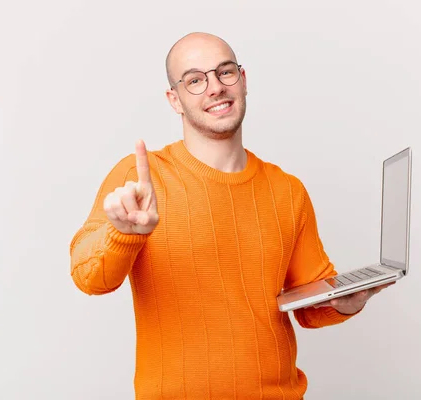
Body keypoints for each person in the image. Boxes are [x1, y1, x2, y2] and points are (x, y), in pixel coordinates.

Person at [69, 32, 393, 400]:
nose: (215, 88)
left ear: (243, 80)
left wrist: (345, 303)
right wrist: (124, 234)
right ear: (174, 100)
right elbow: (89, 277)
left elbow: (310, 308)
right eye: (195, 80)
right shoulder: (141, 178)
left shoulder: (288, 190)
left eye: (225, 72)